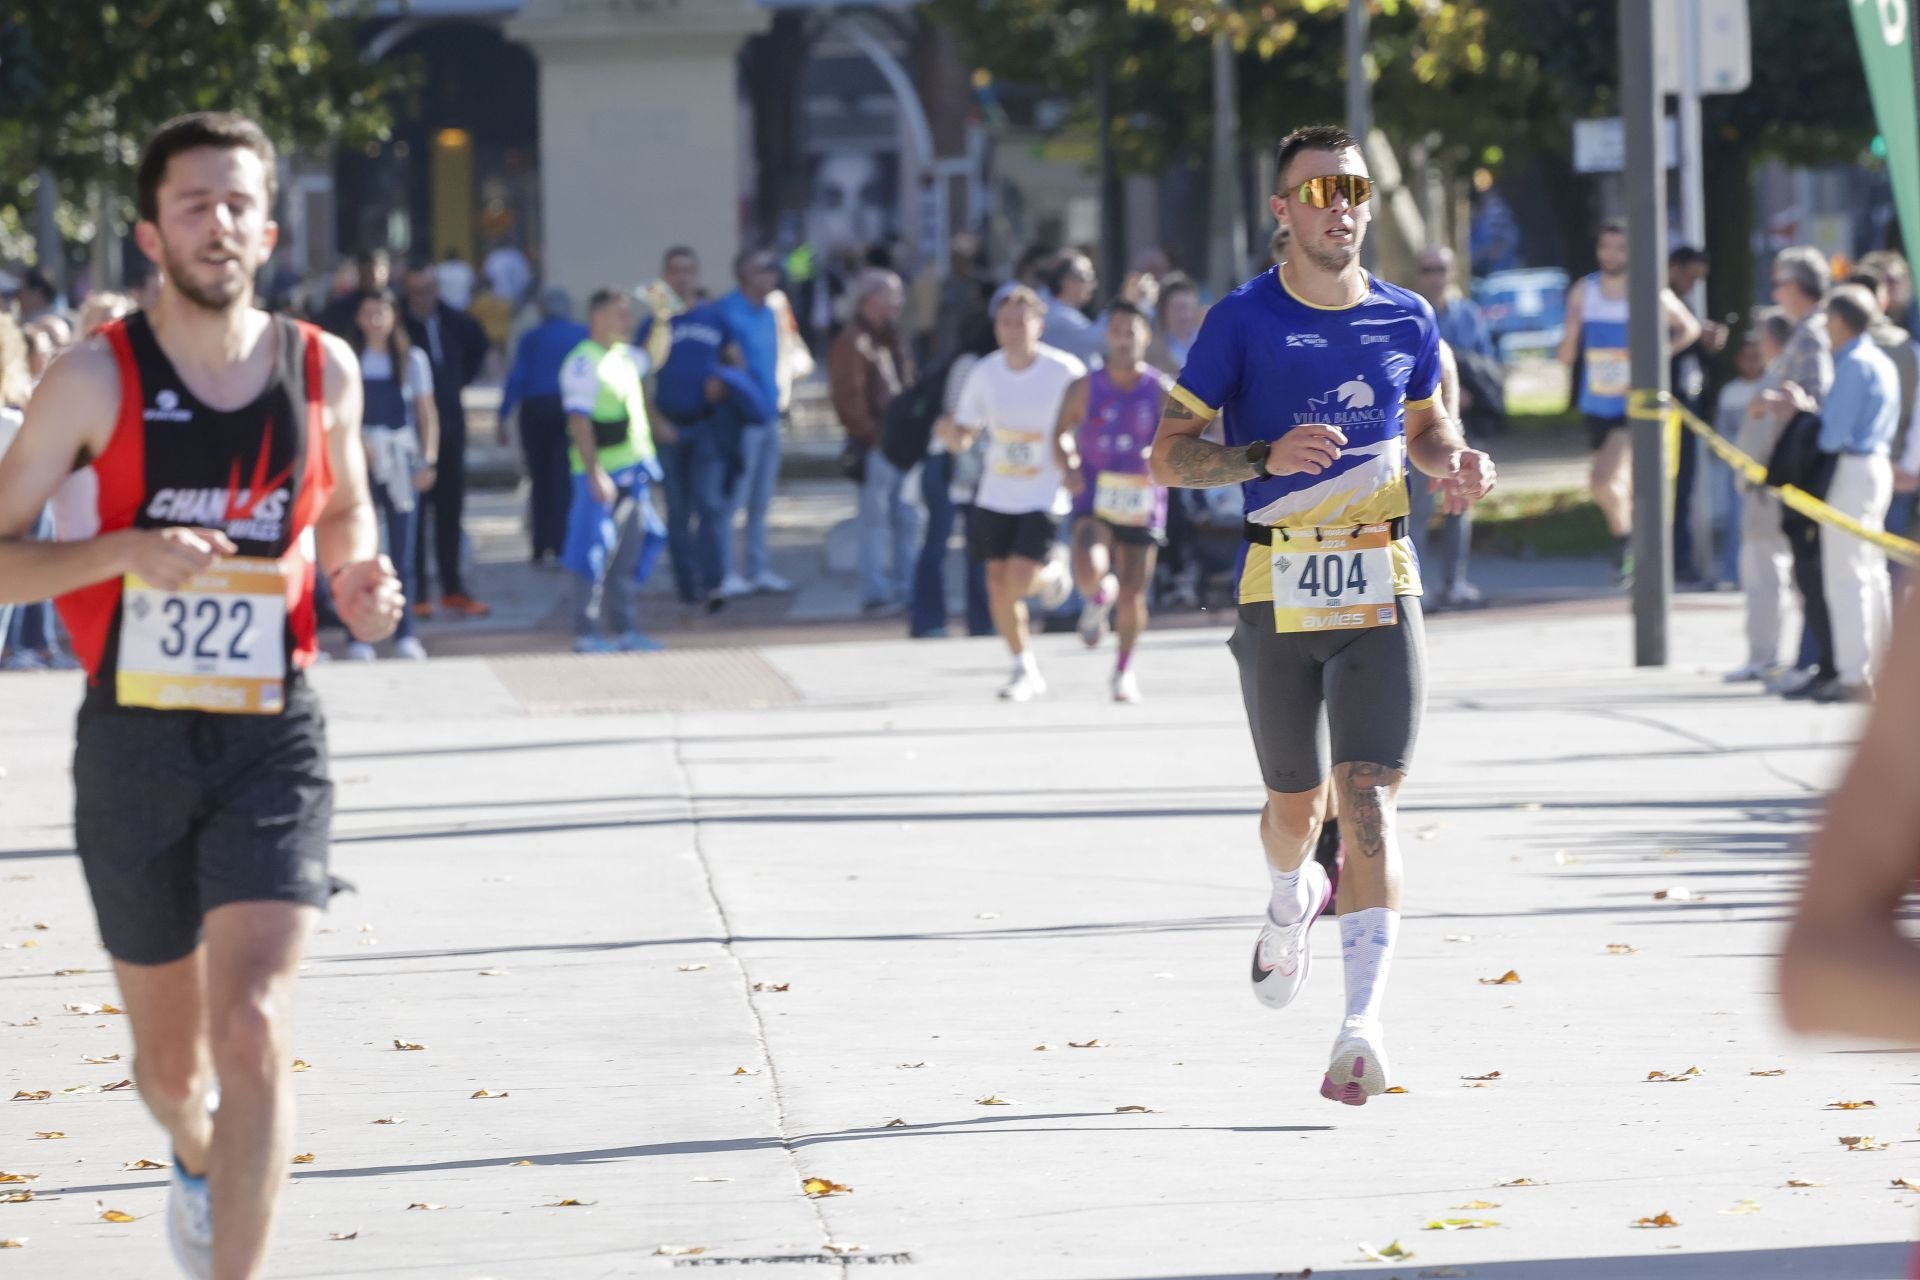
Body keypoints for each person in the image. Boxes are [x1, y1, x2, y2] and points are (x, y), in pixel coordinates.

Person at [0, 110, 402, 1280]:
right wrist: (121, 551)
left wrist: (357, 576)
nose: (217, 223)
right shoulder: (91, 380)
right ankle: (193, 1153)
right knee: (173, 1073)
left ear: (268, 228)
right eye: (194, 203)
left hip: (272, 730)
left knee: (257, 1023)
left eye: (237, 203)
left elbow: (344, 506)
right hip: (131, 737)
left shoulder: (319, 368)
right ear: (150, 231)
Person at [1148, 124, 1494, 1106]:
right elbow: (1168, 455)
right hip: (1277, 582)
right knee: (1298, 807)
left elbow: (1428, 430)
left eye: (1354, 187)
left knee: (1373, 798)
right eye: (1319, 189)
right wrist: (1261, 459)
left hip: (1383, 576)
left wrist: (1455, 462)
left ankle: (1362, 1024)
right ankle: (1287, 895)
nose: (1341, 203)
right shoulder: (1240, 321)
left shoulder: (1407, 317)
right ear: (1283, 210)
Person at [943, 286, 1085, 701]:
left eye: (1021, 321)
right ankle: (1023, 665)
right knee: (996, 583)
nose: (1012, 330)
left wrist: (1077, 463)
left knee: (1021, 580)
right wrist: (951, 434)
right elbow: (966, 432)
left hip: (1044, 490)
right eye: (1005, 322)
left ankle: (1053, 574)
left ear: (1038, 326)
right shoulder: (985, 372)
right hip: (996, 491)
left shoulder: (1065, 371)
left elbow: (1085, 422)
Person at [1772, 285, 1898, 703]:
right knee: (1872, 571)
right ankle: (1881, 665)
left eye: (1828, 319)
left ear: (1841, 321)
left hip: (1850, 470)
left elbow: (1831, 436)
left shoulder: (1851, 366)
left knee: (1846, 576)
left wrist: (1803, 411)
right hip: (1877, 466)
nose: (1824, 327)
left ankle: (1853, 674)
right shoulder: (1879, 360)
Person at [1557, 218, 1700, 582]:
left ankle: (1626, 545)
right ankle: (1636, 547)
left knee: (1604, 481)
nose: (1611, 255)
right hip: (1597, 401)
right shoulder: (1584, 291)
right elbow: (1569, 343)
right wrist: (1568, 348)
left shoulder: (1647, 290)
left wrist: (1655, 357)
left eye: (1620, 248)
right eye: (1605, 247)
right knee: (1616, 484)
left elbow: (1689, 328)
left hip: (1632, 402)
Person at [1056, 302, 1170, 702]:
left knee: (1133, 593)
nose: (1123, 340)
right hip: (1094, 493)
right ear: (1108, 337)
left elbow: (1182, 441)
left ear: (1146, 337)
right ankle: (1096, 597)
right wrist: (1068, 464)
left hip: (1142, 500)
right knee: (1089, 565)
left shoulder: (1159, 389)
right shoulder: (1085, 386)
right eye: (1117, 331)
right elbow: (1060, 433)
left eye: (1131, 332)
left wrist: (1159, 457)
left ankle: (1123, 670)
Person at [1739, 247, 1837, 693]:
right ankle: (1812, 662)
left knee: (1811, 575)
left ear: (1797, 286)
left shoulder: (1814, 334)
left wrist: (1785, 403)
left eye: (1778, 283)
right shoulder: (1804, 332)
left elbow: (1817, 402)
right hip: (1790, 468)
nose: (1775, 291)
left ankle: (1823, 664)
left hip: (1805, 470)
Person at [560, 288, 666, 653]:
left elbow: (654, 356)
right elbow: (579, 422)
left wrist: (664, 318)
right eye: (620, 314)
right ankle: (586, 631)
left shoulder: (623, 356)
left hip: (633, 473)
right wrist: (594, 473)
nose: (628, 320)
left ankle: (624, 629)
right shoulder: (583, 362)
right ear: (599, 317)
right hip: (600, 477)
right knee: (590, 552)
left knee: (626, 555)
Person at [345, 288, 437, 662]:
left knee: (403, 549)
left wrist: (427, 460)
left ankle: (404, 633)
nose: (375, 320)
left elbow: (427, 413)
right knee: (361, 547)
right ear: (359, 318)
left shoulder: (412, 360)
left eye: (382, 312)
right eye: (369, 312)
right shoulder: (350, 358)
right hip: (361, 459)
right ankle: (359, 636)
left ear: (394, 315)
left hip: (399, 458)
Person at [402, 262, 491, 618]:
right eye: (416, 292)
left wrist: (455, 382)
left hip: (451, 426)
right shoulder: (401, 327)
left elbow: (478, 348)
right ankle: (419, 591)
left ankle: (452, 587)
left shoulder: (456, 321)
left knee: (451, 510)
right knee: (416, 513)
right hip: (412, 433)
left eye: (428, 291)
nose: (424, 299)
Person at [829, 268, 918, 616]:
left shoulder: (891, 336)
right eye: (892, 294)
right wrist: (872, 437)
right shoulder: (853, 340)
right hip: (877, 446)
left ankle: (906, 588)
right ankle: (875, 592)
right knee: (875, 522)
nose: (899, 301)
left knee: (907, 519)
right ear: (871, 298)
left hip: (900, 445)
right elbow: (847, 398)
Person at [913, 318, 998, 640]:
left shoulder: (1000, 366)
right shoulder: (971, 364)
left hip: (977, 468)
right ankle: (928, 621)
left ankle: (983, 622)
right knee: (937, 542)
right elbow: (958, 418)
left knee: (979, 548)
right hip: (948, 464)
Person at [713, 248, 791, 597]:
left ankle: (758, 568)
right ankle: (726, 571)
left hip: (770, 415)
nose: (771, 274)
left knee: (761, 501)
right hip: (743, 420)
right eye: (764, 268)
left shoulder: (771, 311)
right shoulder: (727, 312)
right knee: (735, 499)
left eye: (773, 268)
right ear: (744, 273)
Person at [500, 287, 588, 567]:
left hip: (535, 409)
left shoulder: (532, 337)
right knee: (564, 477)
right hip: (568, 409)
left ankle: (540, 544)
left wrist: (503, 415)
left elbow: (518, 376)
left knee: (539, 477)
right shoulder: (580, 334)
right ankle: (561, 542)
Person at [1667, 247, 1731, 586]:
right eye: (1689, 278)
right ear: (1672, 268)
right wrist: (1692, 339)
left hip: (1690, 407)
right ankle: (1673, 559)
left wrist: (1705, 346)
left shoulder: (1683, 306)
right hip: (1668, 411)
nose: (1692, 286)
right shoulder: (1659, 302)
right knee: (1672, 490)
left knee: (1686, 490)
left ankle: (1681, 557)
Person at [1850, 266, 1920, 554]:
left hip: (1858, 469)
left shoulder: (1839, 347)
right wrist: (1909, 466)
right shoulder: (1907, 348)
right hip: (1894, 468)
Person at [1709, 332, 1768, 592]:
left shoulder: (1770, 387)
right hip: (1736, 468)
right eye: (1747, 358)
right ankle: (1732, 572)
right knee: (1736, 522)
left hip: (1765, 466)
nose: (1751, 363)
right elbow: (1721, 431)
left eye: (1757, 357)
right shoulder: (1729, 393)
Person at [1414, 246, 1496, 362]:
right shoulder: (1409, 316)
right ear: (1418, 274)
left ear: (1453, 272)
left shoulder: (1469, 313)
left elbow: (1486, 359)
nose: (1434, 277)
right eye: (1427, 270)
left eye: (1441, 269)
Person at [1040, 251, 1105, 367]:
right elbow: (1103, 341)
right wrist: (1128, 304)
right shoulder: (1059, 316)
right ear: (1066, 282)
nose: (1093, 285)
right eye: (1087, 277)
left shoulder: (1060, 311)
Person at [318, 249, 389, 340]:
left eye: (380, 271)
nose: (375, 276)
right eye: (368, 271)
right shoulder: (340, 308)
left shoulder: (395, 305)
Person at [1146, 273, 1204, 376]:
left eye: (1188, 307)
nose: (1184, 315)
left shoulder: (1209, 342)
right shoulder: (1152, 347)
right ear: (1164, 311)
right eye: (1178, 308)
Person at [483, 240, 532, 313]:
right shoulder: (517, 256)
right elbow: (525, 278)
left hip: (498, 298)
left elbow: (488, 278)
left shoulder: (493, 257)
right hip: (516, 298)